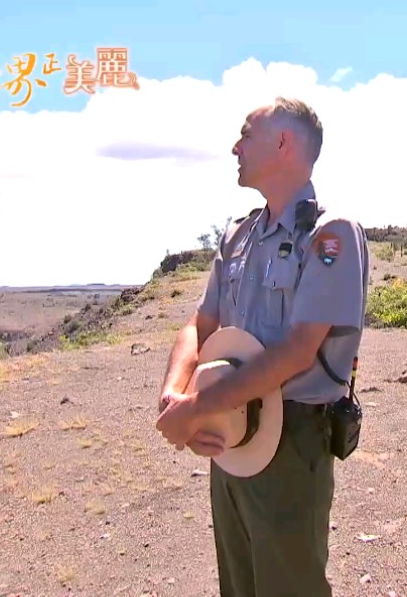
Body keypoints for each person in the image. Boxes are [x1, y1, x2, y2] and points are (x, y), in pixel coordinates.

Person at [154, 97, 370, 597]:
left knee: (288, 586)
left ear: (282, 143)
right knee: (240, 583)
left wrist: (196, 408)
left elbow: (298, 351)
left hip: (291, 438)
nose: (236, 145)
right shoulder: (239, 235)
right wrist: (175, 396)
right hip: (226, 431)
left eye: (246, 134)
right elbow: (201, 324)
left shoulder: (330, 235)